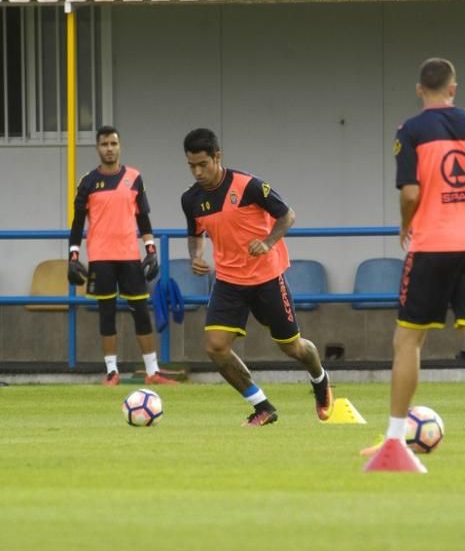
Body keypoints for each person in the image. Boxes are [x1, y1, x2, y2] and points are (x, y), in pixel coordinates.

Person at [181, 127, 333, 426]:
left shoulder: (248, 185)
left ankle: (320, 378)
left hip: (267, 277)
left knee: (293, 347)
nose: (197, 172)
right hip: (228, 281)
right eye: (191, 166)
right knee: (216, 347)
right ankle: (262, 406)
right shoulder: (191, 199)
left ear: (217, 157)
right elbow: (195, 233)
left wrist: (268, 242)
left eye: (203, 164)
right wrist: (196, 256)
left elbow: (287, 214)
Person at [363, 57, 465, 470]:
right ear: (453, 89)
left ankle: (394, 440)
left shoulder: (410, 130)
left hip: (433, 245)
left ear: (420, 89)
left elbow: (409, 193)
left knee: (409, 341)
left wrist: (406, 226)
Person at [68, 125, 177, 386]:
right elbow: (77, 223)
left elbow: (144, 219)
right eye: (104, 144)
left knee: (140, 311)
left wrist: (151, 250)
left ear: (120, 146)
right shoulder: (88, 182)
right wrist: (73, 256)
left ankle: (152, 372)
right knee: (106, 313)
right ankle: (111, 372)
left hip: (130, 256)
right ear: (97, 147)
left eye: (113, 144)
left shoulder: (134, 177)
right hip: (101, 257)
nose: (109, 148)